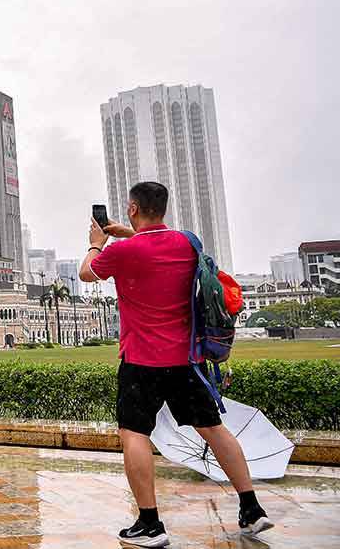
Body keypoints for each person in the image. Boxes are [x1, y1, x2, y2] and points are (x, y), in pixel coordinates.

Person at [79, 181, 272, 546]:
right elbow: (153, 246)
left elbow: (87, 273)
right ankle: (252, 508)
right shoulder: (188, 242)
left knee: (135, 434)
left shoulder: (124, 253)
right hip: (188, 359)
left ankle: (150, 524)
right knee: (214, 429)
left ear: (133, 208)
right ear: (163, 208)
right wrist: (126, 232)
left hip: (140, 360)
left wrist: (96, 242)